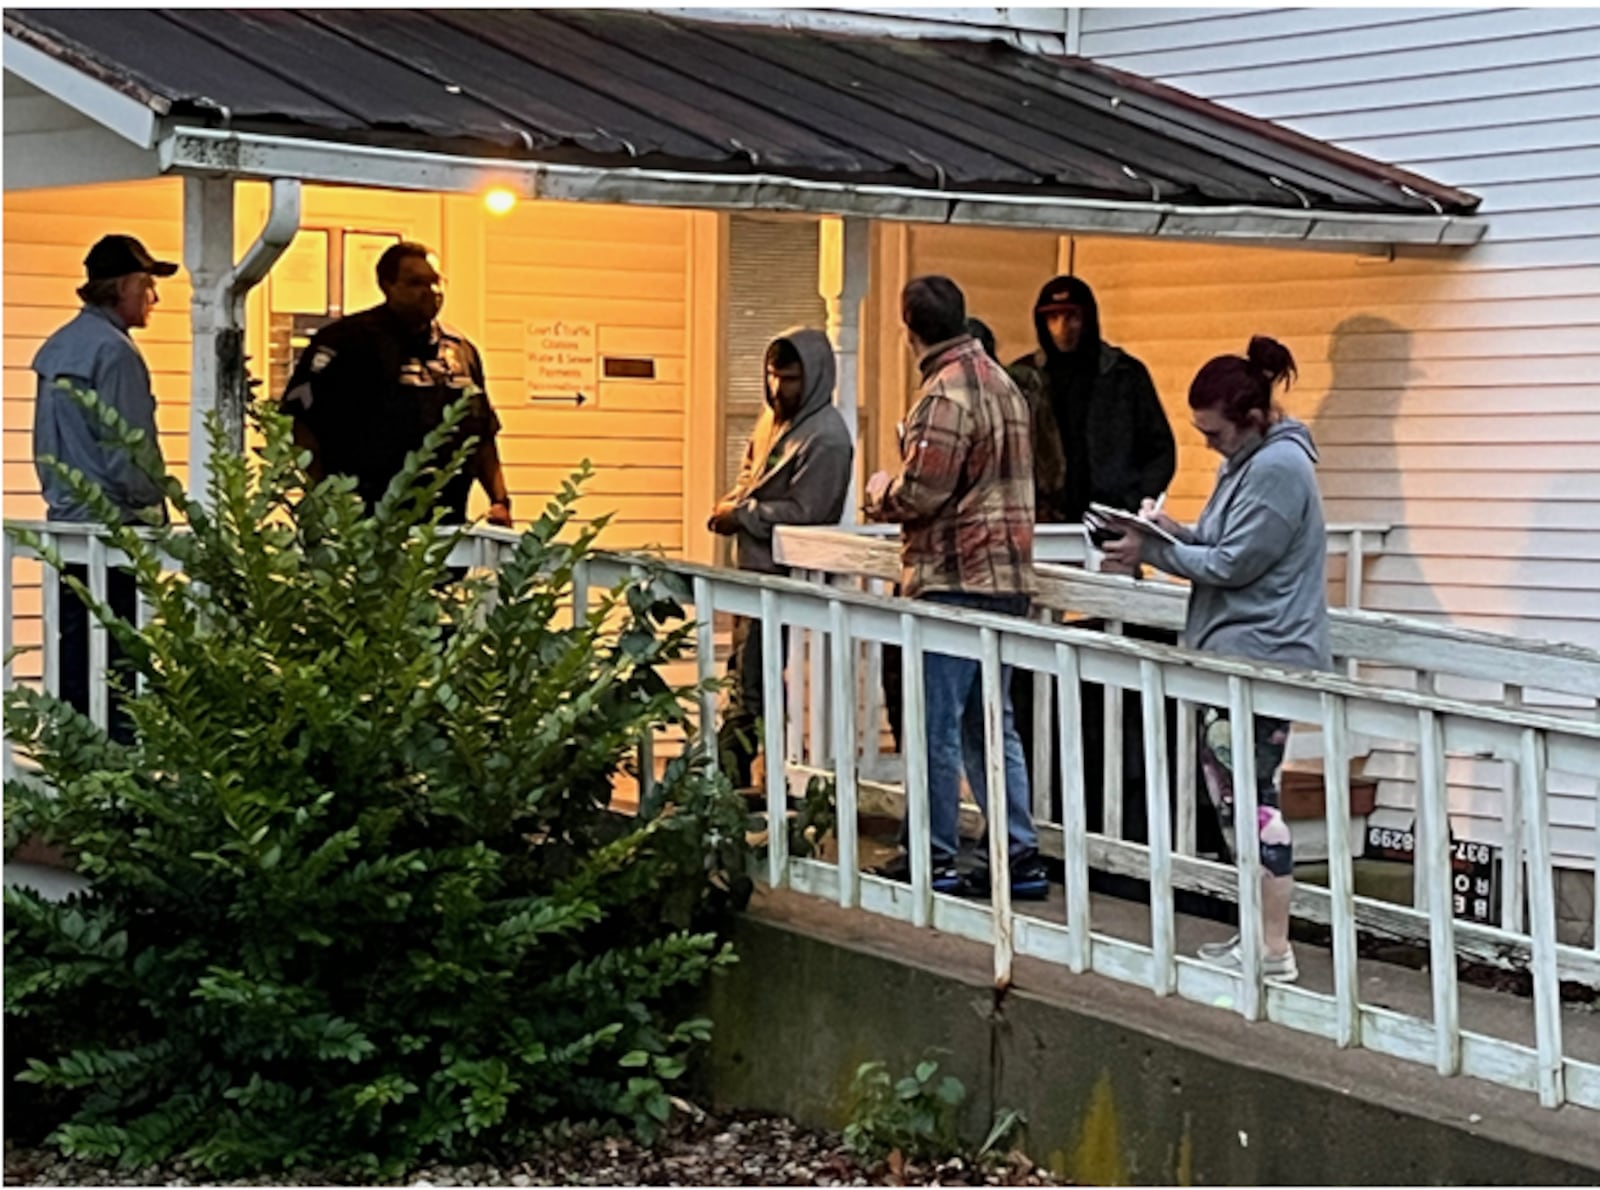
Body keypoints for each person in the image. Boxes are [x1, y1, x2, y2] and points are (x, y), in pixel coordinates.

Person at [1103, 335, 1329, 982]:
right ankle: (1256, 939)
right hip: (1235, 655)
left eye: (1214, 432)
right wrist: (1163, 531)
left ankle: (1275, 950)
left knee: (1254, 806)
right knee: (1237, 804)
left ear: (1252, 420)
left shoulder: (1280, 469)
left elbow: (1234, 564)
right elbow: (1217, 539)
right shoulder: (1250, 461)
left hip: (1263, 658)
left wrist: (1151, 554)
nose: (1209, 444)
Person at [863, 276, 1047, 900]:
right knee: (994, 726)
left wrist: (879, 488)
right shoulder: (1004, 384)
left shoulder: (944, 396)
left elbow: (923, 492)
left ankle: (932, 855)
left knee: (936, 727)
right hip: (1010, 578)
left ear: (908, 324)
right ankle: (1018, 853)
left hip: (953, 580)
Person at [31, 234, 176, 740]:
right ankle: (118, 763)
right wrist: (157, 509)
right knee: (120, 654)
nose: (153, 298)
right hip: (116, 528)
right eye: (148, 285)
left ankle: (76, 750)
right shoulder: (115, 354)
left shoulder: (59, 347)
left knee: (76, 646)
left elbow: (47, 445)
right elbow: (128, 453)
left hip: (69, 522)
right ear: (122, 287)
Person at [708, 328, 853, 790]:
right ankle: (761, 769)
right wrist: (732, 502)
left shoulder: (827, 438)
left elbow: (809, 514)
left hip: (782, 578)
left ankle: (728, 775)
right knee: (749, 671)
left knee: (752, 677)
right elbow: (750, 474)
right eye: (772, 376)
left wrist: (743, 515)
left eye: (788, 379)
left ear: (811, 377)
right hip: (750, 573)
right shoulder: (770, 420)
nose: (777, 388)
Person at [281, 242, 511, 528]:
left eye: (436, 281)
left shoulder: (461, 351)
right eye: (415, 282)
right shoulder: (345, 343)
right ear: (387, 285)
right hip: (364, 522)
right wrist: (320, 499)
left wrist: (499, 500)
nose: (431, 291)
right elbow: (301, 423)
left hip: (444, 524)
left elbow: (483, 433)